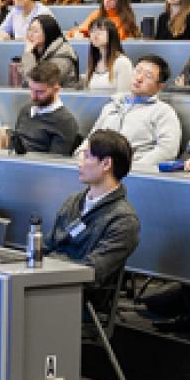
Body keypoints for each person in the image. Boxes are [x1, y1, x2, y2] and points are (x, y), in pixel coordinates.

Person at [45, 130, 142, 311]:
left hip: (78, 299)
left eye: (87, 156)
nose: (79, 164)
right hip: (47, 281)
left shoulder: (124, 220)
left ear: (106, 164)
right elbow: (48, 244)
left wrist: (47, 268)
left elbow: (92, 273)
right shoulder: (73, 201)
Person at [79, 57, 182, 167]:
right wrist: (80, 155)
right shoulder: (112, 106)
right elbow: (92, 138)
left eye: (148, 76)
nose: (139, 78)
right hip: (98, 168)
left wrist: (134, 167)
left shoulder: (163, 112)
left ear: (159, 86)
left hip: (133, 170)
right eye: (137, 71)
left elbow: (167, 150)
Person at [8, 61, 79, 156]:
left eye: (40, 92)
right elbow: (14, 145)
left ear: (56, 90)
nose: (33, 96)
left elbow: (52, 163)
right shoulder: (26, 109)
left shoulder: (65, 121)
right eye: (31, 89)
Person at [23, 14, 82, 88]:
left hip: (64, 98)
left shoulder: (63, 56)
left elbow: (38, 83)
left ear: (48, 33)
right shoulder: (36, 50)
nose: (30, 34)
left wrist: (28, 54)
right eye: (29, 29)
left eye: (35, 31)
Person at [71, 0, 140, 40]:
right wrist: (78, 34)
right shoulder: (97, 14)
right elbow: (78, 31)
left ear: (120, 1)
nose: (106, 1)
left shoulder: (127, 18)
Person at [83, 18, 132, 96]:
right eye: (92, 31)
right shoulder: (93, 63)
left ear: (111, 34)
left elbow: (125, 97)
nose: (95, 34)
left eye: (101, 30)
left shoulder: (122, 62)